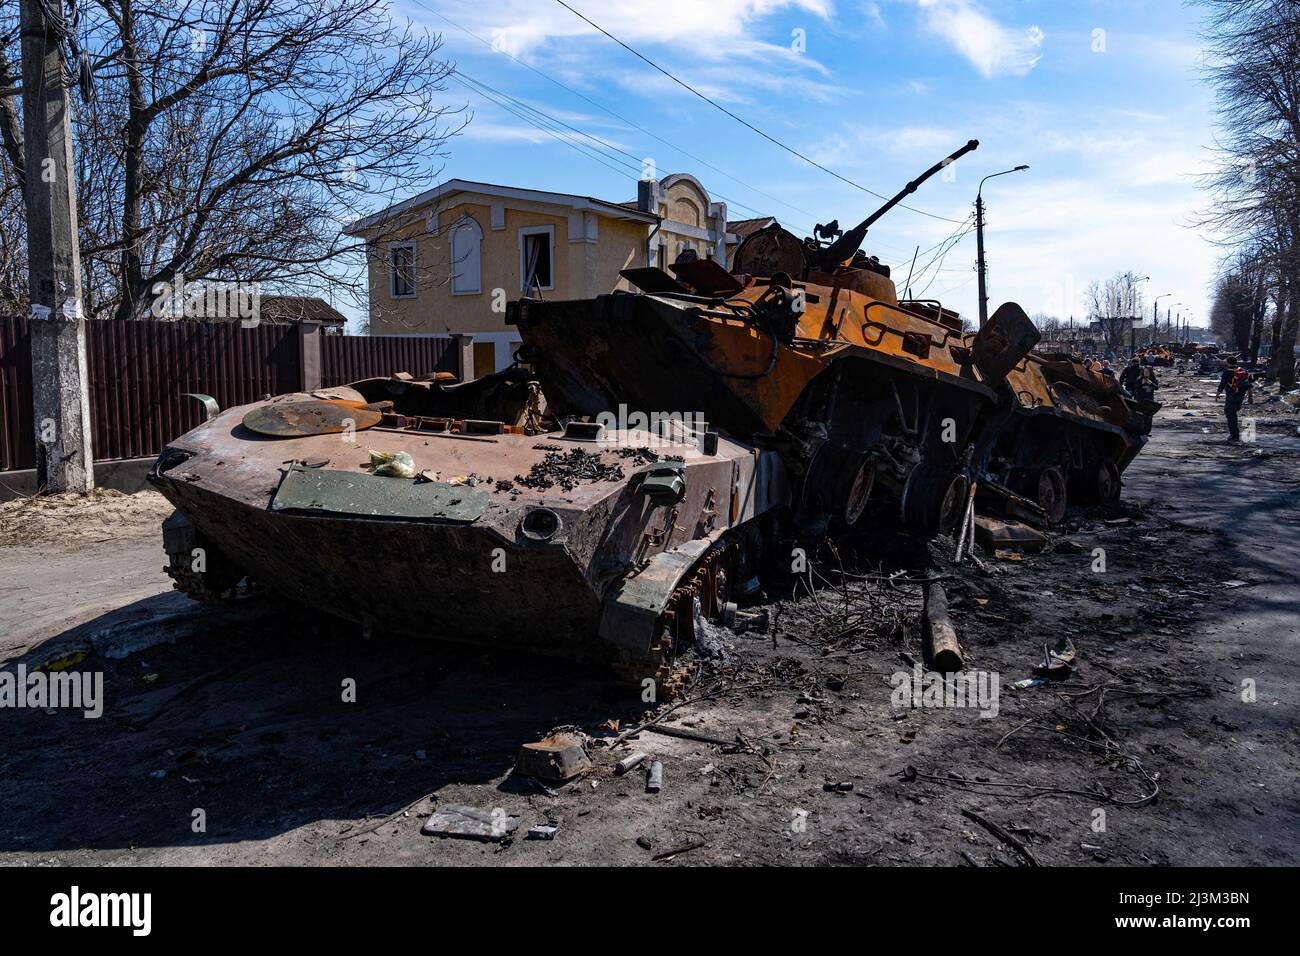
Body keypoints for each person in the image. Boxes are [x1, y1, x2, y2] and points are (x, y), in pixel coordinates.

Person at [1216, 362, 1252, 442]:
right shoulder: (1243, 371)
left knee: (1230, 415)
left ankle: (1234, 435)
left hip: (1231, 396)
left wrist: (1217, 394)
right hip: (1241, 396)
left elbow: (1222, 384)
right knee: (1233, 413)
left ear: (1227, 362)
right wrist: (1250, 397)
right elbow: (1249, 385)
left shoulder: (1227, 372)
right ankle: (1234, 434)